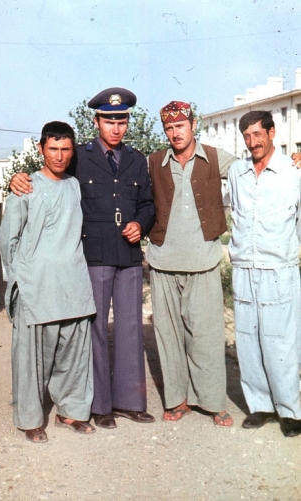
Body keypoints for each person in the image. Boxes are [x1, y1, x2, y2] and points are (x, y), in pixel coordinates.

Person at [9, 88, 156, 430]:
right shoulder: (81, 155)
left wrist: (141, 223)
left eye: (121, 120)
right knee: (94, 331)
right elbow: (52, 167)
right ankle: (100, 405)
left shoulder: (137, 158)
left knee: (131, 327)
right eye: (109, 120)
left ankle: (130, 402)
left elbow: (147, 203)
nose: (116, 128)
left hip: (129, 254)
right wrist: (21, 178)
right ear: (96, 121)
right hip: (93, 253)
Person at [0, 121, 96, 443]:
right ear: (41, 149)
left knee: (73, 353)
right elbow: (8, 239)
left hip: (72, 282)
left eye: (65, 149)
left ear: (72, 151)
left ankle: (71, 411)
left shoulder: (74, 185)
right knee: (31, 357)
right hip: (36, 285)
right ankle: (30, 419)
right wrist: (16, 283)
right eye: (53, 149)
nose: (59, 156)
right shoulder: (26, 186)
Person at [146, 101, 237, 426]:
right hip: (163, 260)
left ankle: (212, 401)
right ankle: (178, 399)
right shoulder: (154, 162)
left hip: (204, 260)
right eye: (169, 128)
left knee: (207, 334)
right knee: (169, 335)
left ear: (193, 125)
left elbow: (251, 169)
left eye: (180, 126)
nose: (175, 133)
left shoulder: (215, 157)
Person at [228, 110, 301, 437]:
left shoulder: (293, 171)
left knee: (282, 342)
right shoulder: (238, 173)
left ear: (272, 132)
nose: (253, 141)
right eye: (247, 136)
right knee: (247, 339)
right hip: (244, 266)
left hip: (278, 269)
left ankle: (290, 410)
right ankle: (260, 406)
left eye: (258, 134)